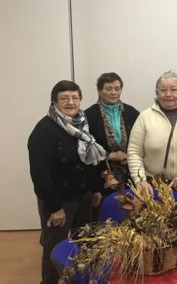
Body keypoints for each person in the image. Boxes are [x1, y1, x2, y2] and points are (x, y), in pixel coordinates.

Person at [28, 80, 106, 284]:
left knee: (84, 242)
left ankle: (79, 279)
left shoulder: (82, 123)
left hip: (83, 197)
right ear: (54, 102)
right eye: (64, 98)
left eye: (75, 97)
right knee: (54, 247)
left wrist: (96, 189)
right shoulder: (44, 130)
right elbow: (40, 175)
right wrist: (54, 208)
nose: (70, 102)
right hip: (59, 201)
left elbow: (90, 162)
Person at [85, 72, 140, 190]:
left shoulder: (132, 112)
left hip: (132, 173)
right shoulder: (89, 115)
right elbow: (85, 147)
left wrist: (132, 156)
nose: (113, 92)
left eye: (117, 88)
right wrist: (109, 155)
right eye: (108, 89)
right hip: (102, 175)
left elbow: (142, 141)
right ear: (99, 91)